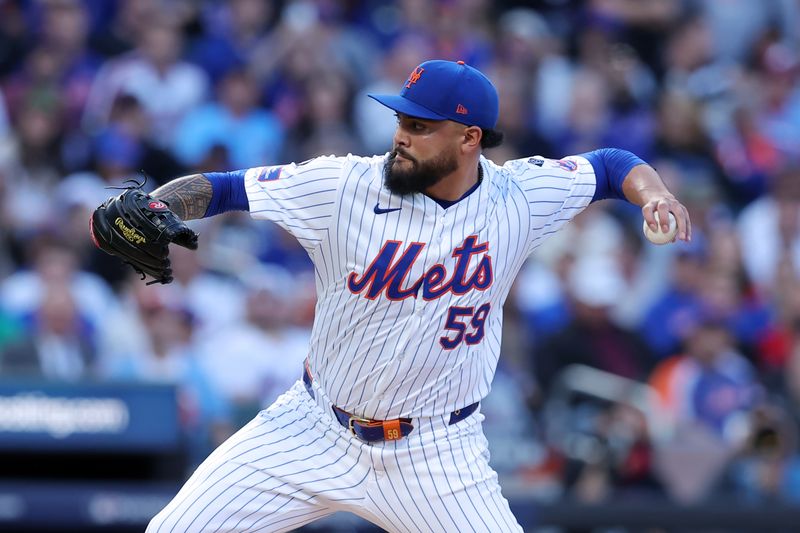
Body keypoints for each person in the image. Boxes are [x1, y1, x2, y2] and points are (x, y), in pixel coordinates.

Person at [134, 59, 691, 532]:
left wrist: (655, 195)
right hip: (311, 429)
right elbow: (225, 187)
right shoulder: (344, 185)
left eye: (422, 125)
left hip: (437, 456)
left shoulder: (519, 194)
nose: (402, 134)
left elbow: (612, 166)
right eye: (402, 118)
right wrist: (157, 209)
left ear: (470, 138)